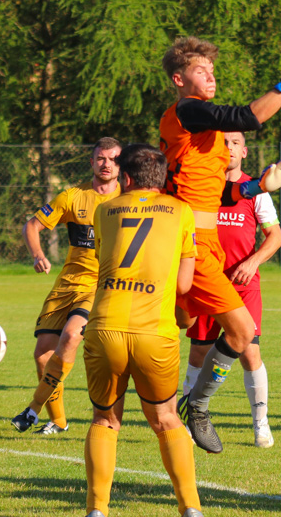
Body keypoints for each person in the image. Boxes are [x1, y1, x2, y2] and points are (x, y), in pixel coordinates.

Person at [160, 36, 281, 453]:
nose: (211, 77)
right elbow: (249, 116)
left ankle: (186, 404)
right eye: (202, 71)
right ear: (179, 80)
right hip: (188, 242)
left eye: (213, 71)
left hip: (206, 241)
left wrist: (257, 186)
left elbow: (216, 195)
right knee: (238, 332)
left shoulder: (211, 138)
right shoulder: (186, 111)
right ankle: (193, 406)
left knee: (196, 328)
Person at [82, 143, 200, 517]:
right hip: (155, 331)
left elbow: (106, 260)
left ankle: (97, 510)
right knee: (166, 419)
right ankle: (191, 508)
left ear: (125, 177)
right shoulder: (181, 212)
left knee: (105, 419)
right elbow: (183, 286)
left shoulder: (104, 211)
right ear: (162, 178)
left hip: (104, 327)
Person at [178, 131, 281, 449]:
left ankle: (261, 424)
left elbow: (275, 237)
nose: (229, 148)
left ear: (245, 151)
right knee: (198, 352)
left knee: (250, 350)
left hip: (242, 286)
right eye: (223, 143)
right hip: (205, 283)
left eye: (235, 143)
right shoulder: (202, 188)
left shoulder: (257, 192)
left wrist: (252, 263)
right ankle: (189, 419)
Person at [11, 138, 122, 434]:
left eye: (112, 158)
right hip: (67, 284)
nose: (106, 164)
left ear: (120, 165)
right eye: (100, 158)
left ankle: (32, 410)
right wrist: (38, 254)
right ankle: (58, 420)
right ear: (92, 162)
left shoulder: (128, 200)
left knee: (72, 336)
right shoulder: (73, 197)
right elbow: (32, 225)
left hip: (100, 286)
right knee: (43, 355)